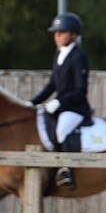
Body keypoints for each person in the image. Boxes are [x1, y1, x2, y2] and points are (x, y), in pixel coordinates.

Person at [30, 12, 93, 191]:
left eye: (61, 32)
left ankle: (67, 171)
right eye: (56, 33)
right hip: (60, 107)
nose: (57, 36)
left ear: (73, 35)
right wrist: (31, 103)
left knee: (61, 131)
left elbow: (81, 91)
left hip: (75, 109)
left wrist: (58, 102)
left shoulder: (79, 57)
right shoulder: (59, 55)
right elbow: (52, 85)